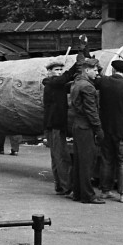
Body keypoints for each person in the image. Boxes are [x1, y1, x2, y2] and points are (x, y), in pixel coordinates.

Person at [95, 60, 123, 203]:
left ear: (113, 70)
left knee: (107, 161)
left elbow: (95, 74)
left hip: (106, 130)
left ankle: (105, 191)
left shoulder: (104, 82)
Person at [70, 58, 104, 204]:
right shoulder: (88, 87)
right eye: (95, 70)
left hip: (78, 126)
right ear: (87, 70)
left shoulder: (77, 84)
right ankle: (87, 195)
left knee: (79, 162)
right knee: (87, 162)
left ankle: (77, 192)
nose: (97, 73)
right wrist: (98, 129)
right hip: (86, 127)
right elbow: (91, 111)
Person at [42, 59, 74, 195]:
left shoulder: (56, 84)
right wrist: (77, 65)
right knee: (61, 157)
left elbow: (67, 81)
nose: (59, 72)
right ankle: (67, 188)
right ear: (49, 72)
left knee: (56, 157)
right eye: (57, 70)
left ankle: (59, 186)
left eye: (61, 70)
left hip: (54, 125)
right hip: (55, 125)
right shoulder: (53, 83)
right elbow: (65, 78)